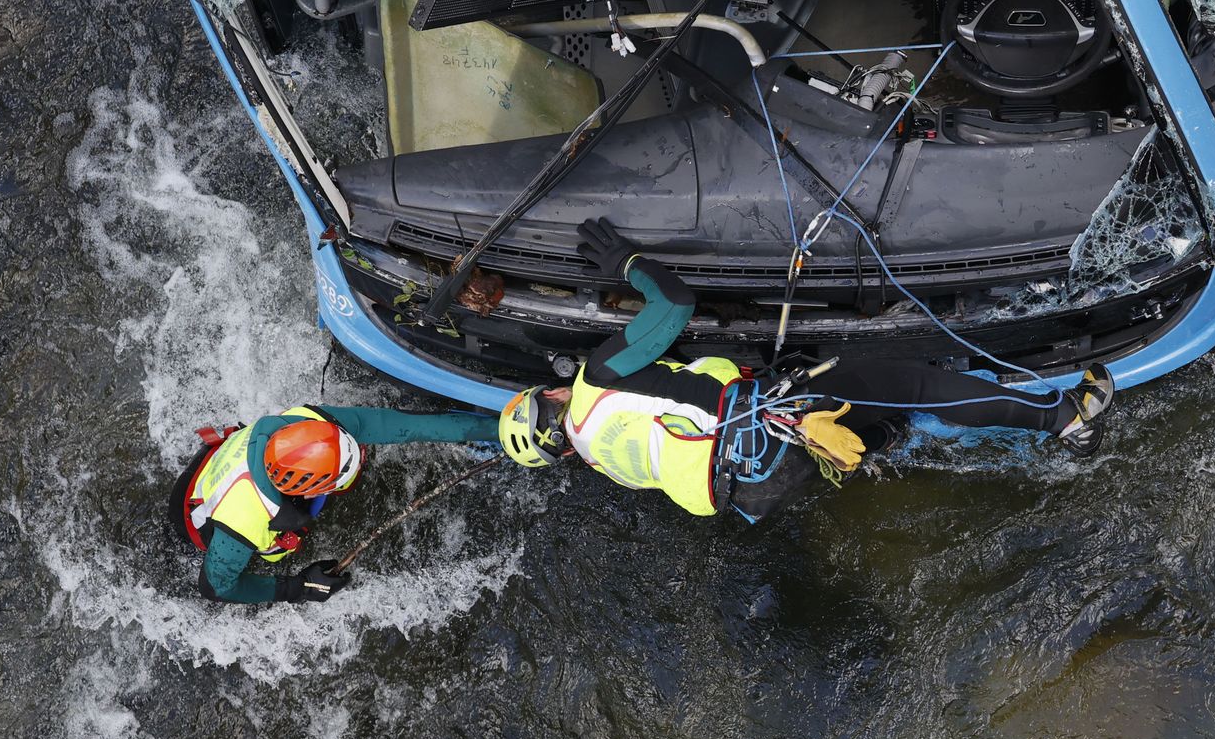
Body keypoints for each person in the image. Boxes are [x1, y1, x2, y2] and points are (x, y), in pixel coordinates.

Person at [497, 218, 1116, 522]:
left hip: (758, 491)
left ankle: (882, 438)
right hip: (772, 428)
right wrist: (625, 261)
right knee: (910, 383)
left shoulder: (606, 461)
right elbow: (675, 304)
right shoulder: (598, 377)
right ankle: (1067, 418)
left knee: (867, 422)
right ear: (546, 393)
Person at [169, 404, 492, 604]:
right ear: (313, 487)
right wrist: (298, 587)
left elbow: (404, 425)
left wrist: (499, 429)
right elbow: (216, 588)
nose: (364, 454)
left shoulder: (309, 423)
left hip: (212, 468)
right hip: (195, 517)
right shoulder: (244, 522)